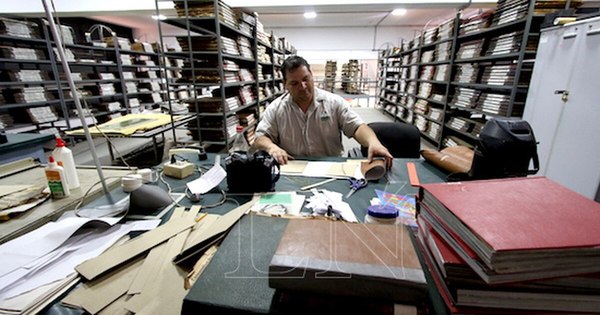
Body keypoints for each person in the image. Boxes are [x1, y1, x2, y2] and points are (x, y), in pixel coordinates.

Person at [252, 55, 393, 169]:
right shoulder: (277, 108)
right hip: (293, 167)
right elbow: (260, 137)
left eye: (306, 79)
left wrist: (373, 142)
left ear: (312, 75)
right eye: (294, 83)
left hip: (331, 167)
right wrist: (271, 147)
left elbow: (357, 127)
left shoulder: (333, 102)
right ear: (285, 84)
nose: (303, 86)